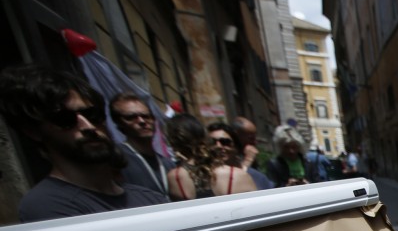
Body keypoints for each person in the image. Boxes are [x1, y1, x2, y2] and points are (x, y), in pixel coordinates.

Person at [0, 64, 167, 222]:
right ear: (33, 131)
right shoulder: (45, 205)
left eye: (92, 114)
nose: (88, 126)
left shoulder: (151, 199)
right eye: (65, 119)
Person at [109, 92, 174, 197]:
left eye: (146, 116)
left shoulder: (168, 164)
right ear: (119, 124)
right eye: (131, 117)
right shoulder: (116, 159)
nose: (141, 121)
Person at [204, 122, 257, 195]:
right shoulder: (199, 176)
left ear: (236, 147)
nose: (218, 146)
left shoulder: (250, 175)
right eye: (212, 142)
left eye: (225, 142)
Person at [231, 116, 275, 189]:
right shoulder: (230, 155)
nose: (254, 142)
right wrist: (248, 160)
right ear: (236, 137)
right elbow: (234, 180)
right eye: (250, 138)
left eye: (255, 138)